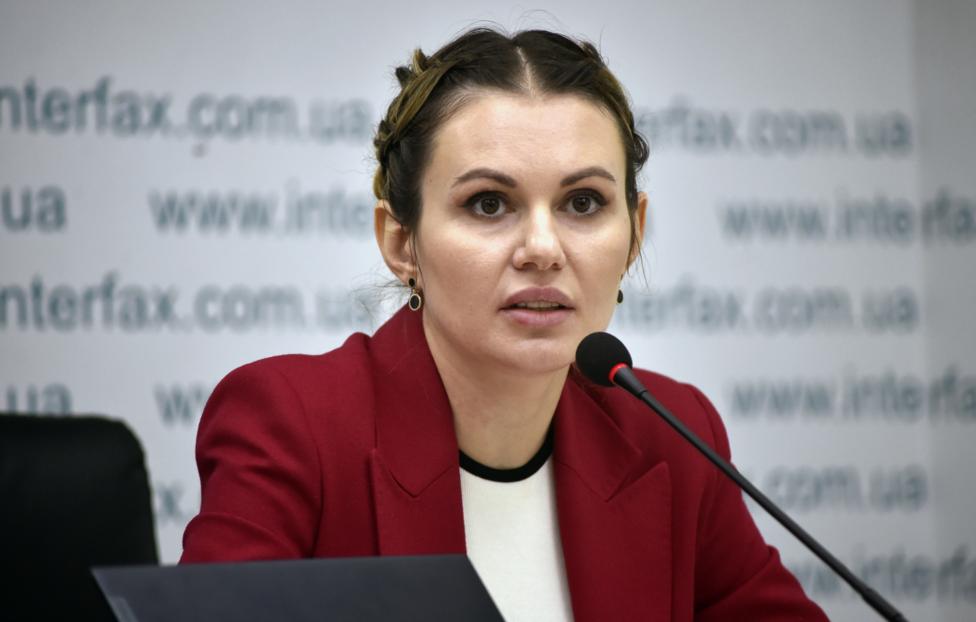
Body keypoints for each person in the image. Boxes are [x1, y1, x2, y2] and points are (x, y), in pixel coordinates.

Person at [181, 27, 828, 621]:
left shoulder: (671, 435)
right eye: (489, 203)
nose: (542, 249)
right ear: (402, 243)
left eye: (583, 203)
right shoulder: (293, 426)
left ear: (634, 234)